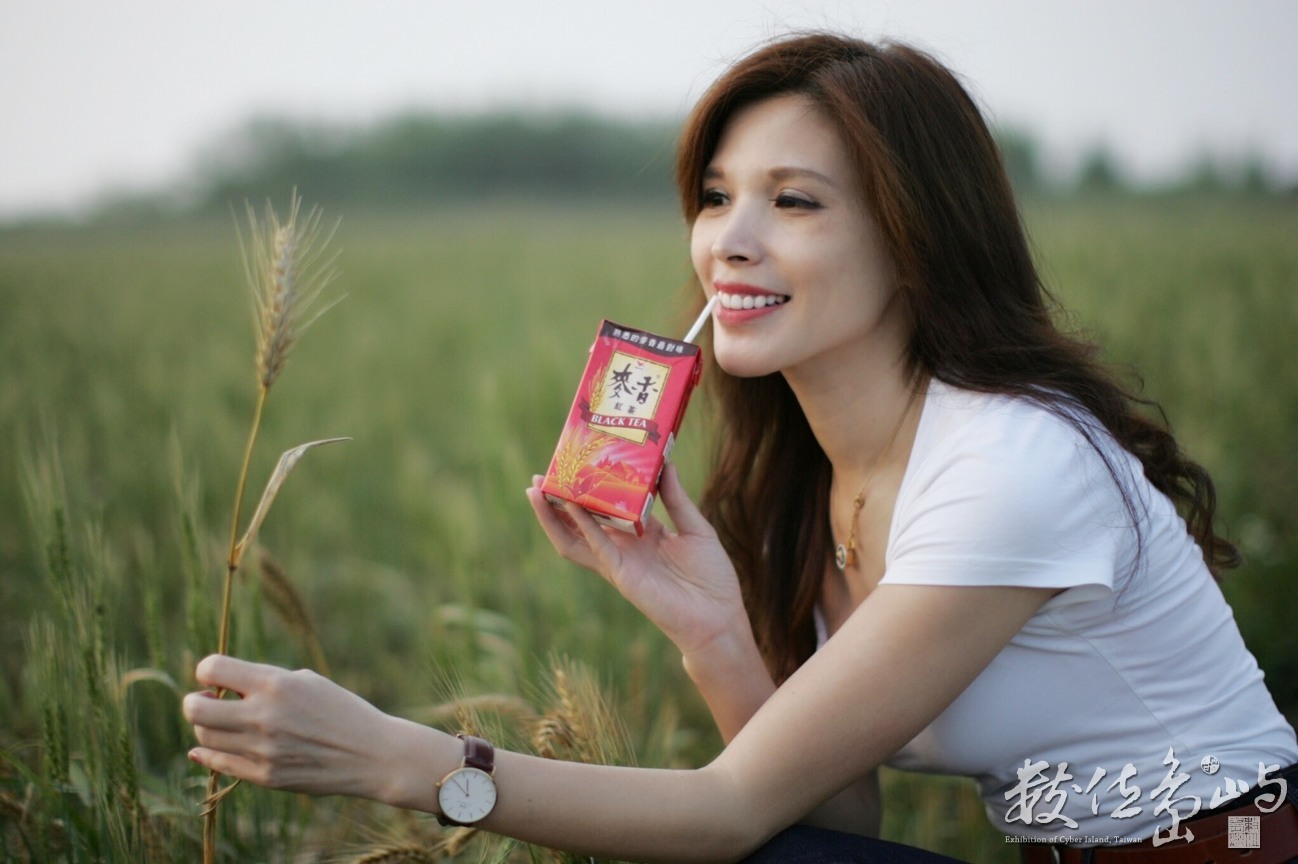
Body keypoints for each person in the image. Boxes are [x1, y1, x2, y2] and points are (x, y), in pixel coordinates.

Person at [184, 32, 1298, 863]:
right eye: (716, 197)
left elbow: (727, 813)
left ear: (915, 239)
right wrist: (714, 629)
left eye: (794, 201)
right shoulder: (816, 478)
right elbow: (832, 819)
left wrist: (405, 763)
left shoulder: (1012, 465)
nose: (732, 240)